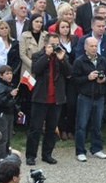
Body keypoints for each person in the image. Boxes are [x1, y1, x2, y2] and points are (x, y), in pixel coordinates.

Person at [25, 34, 71, 166]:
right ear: (46, 44)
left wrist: (62, 60)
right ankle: (30, 155)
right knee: (35, 128)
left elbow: (69, 73)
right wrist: (46, 56)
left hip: (56, 99)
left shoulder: (62, 55)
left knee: (51, 129)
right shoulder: (38, 55)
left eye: (57, 44)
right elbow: (35, 69)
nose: (55, 46)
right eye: (52, 44)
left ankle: (47, 154)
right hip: (40, 98)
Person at [71, 37, 106, 162]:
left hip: (99, 97)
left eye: (95, 46)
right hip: (85, 97)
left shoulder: (102, 59)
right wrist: (87, 78)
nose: (94, 48)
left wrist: (104, 79)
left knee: (97, 125)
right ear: (85, 47)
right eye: (91, 46)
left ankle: (96, 148)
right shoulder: (79, 61)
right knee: (81, 125)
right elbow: (74, 80)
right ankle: (80, 151)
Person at [0, 65, 20, 160]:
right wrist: (9, 95)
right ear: (0, 75)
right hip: (1, 114)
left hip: (9, 114)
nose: (10, 75)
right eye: (7, 73)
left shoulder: (10, 86)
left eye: (11, 73)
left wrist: (18, 110)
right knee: (1, 139)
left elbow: (12, 102)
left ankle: (6, 157)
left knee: (8, 139)